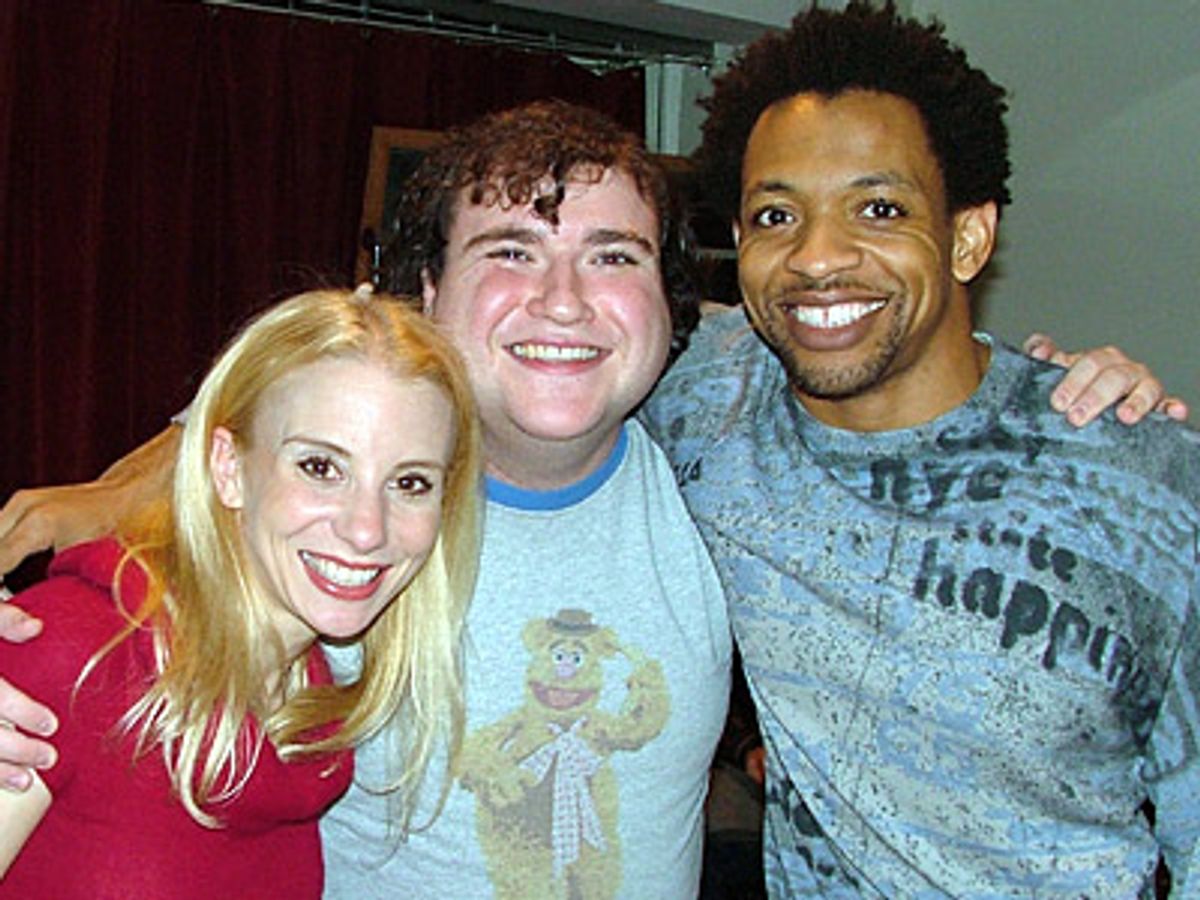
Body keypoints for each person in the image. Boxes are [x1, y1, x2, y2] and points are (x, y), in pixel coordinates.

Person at [0, 96, 1183, 898]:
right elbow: (230, 450)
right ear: (419, 294)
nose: (565, 302)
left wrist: (1069, 409)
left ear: (673, 313)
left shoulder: (725, 440)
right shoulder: (335, 525)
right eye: (511, 251)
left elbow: (878, 354)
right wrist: (68, 522)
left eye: (614, 257)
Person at [637, 2, 1200, 896]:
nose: (819, 258)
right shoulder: (694, 393)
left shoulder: (1147, 477)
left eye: (879, 207)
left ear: (967, 237)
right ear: (740, 244)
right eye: (777, 216)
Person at [0, 288, 481, 897]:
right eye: (320, 467)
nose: (367, 528)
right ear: (228, 468)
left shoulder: (310, 726)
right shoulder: (68, 653)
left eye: (410, 482)